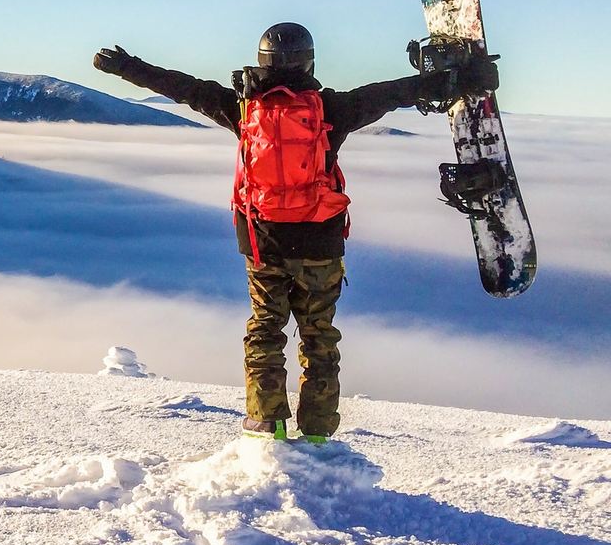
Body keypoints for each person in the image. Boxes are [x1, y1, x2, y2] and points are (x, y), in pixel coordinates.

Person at [93, 23, 497, 442]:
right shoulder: (329, 110)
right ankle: (319, 429)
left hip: (262, 242)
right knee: (319, 334)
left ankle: (267, 422)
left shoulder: (242, 108)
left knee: (265, 329)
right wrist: (461, 79)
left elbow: (185, 89)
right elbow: (391, 93)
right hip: (320, 241)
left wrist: (127, 67)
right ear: (309, 60)